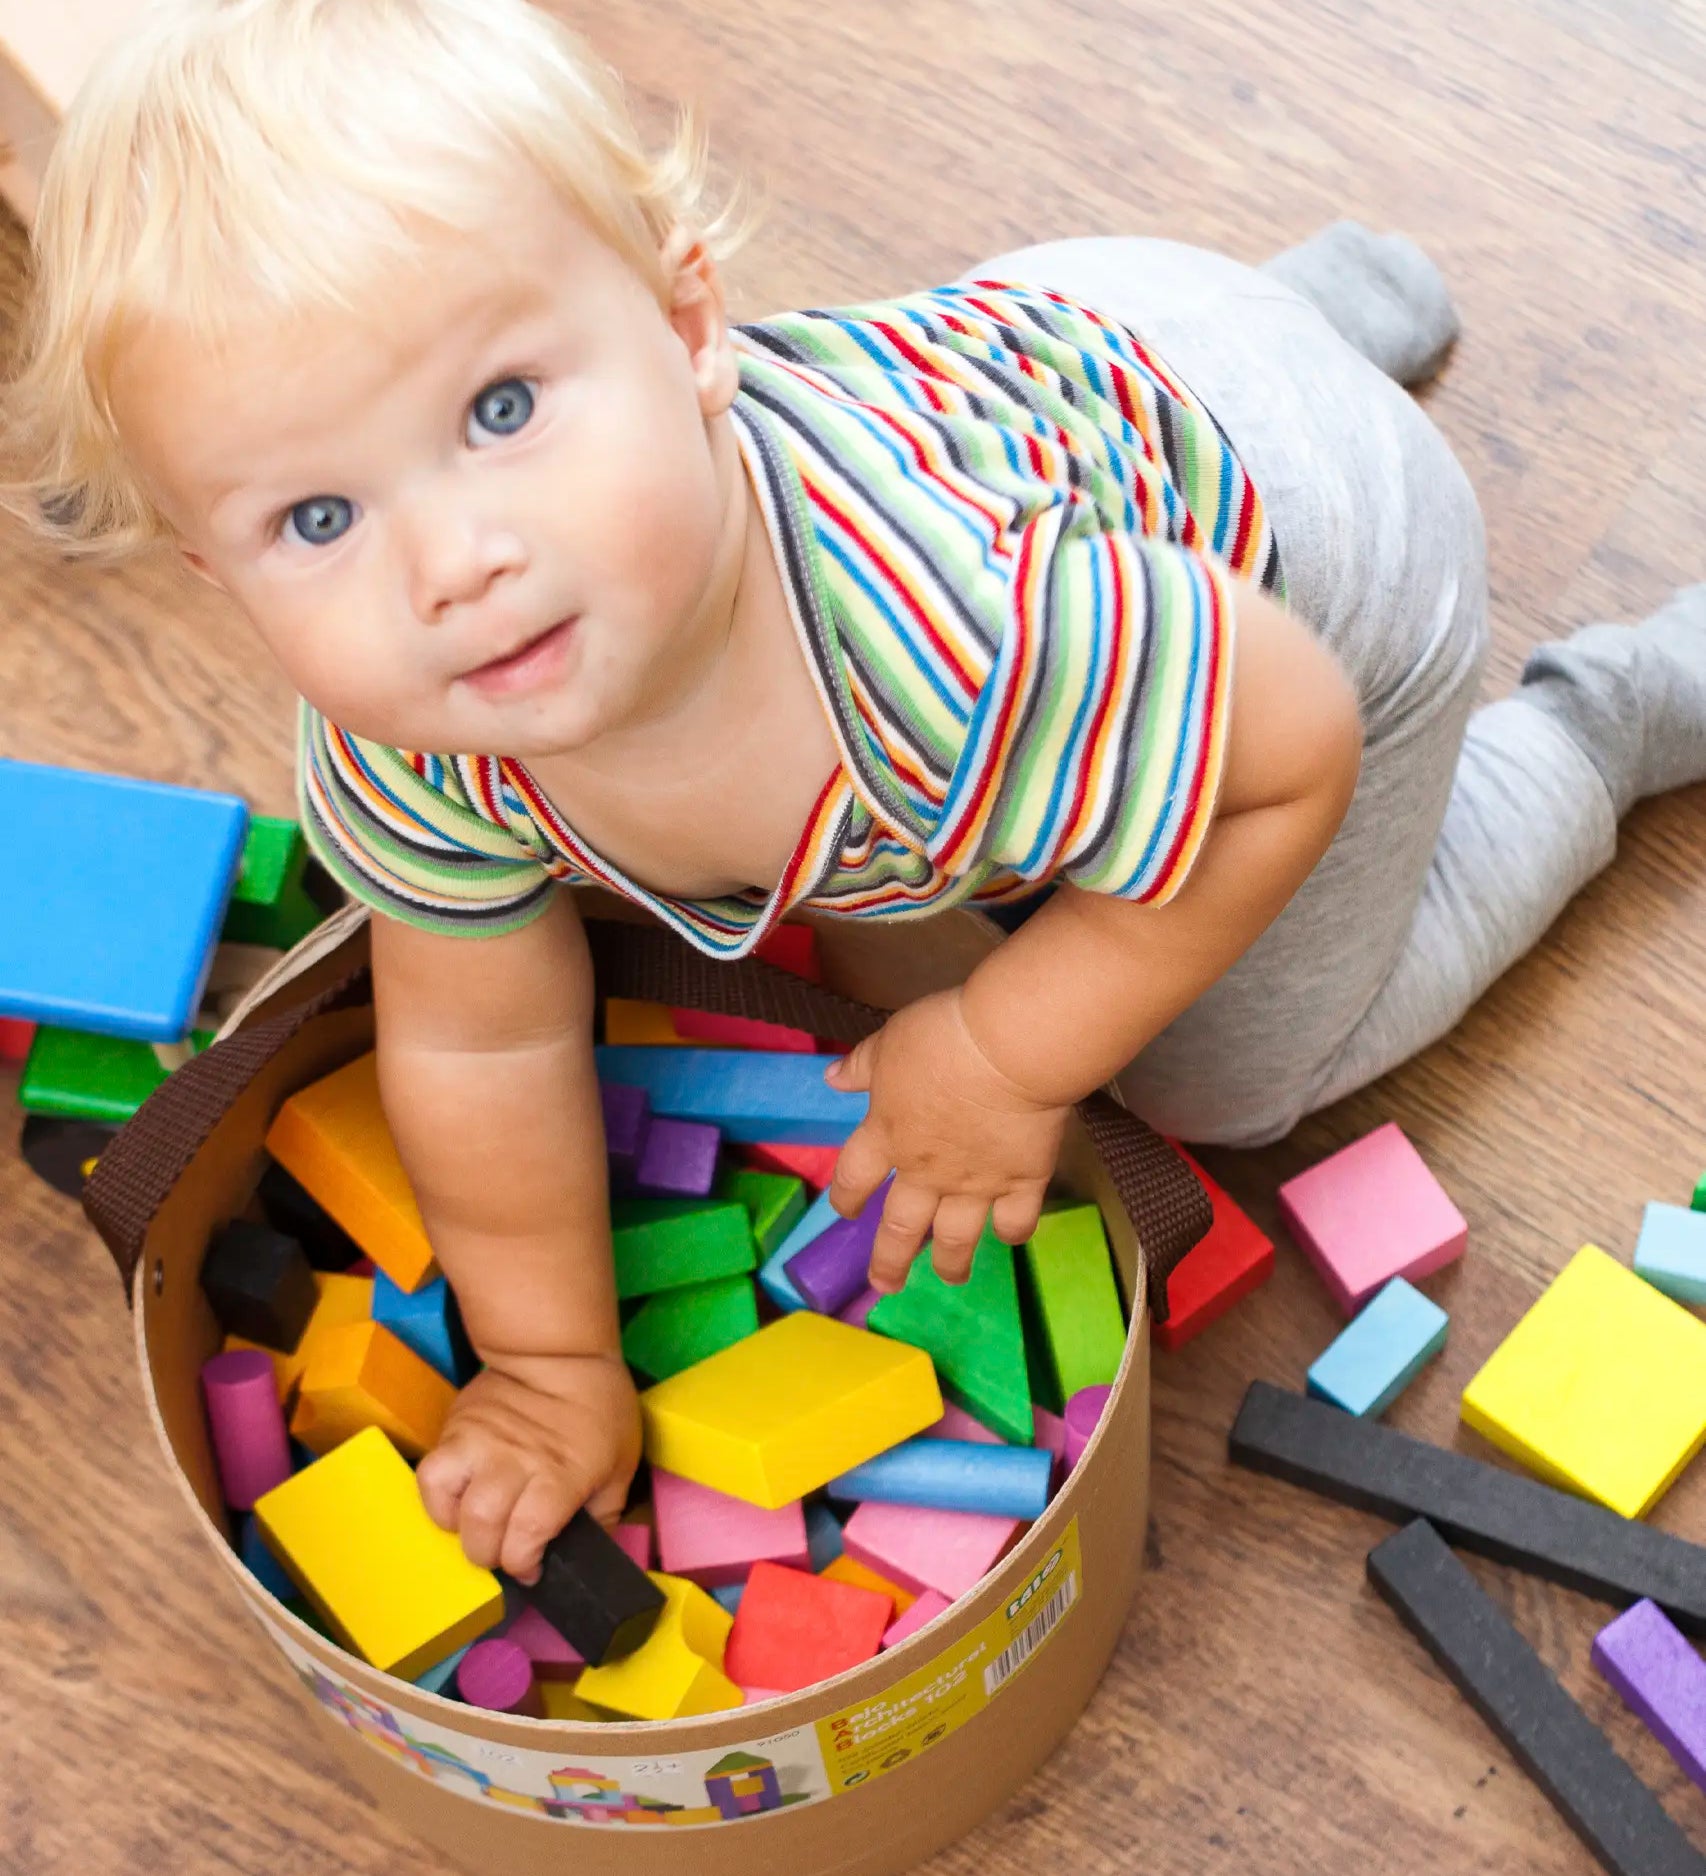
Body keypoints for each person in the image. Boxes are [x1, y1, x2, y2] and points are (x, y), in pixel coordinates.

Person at [5, 0, 1701, 1585]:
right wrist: (543, 1361)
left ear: (686, 332)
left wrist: (1000, 1048)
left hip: (1317, 575)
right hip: (1079, 358)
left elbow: (1288, 754)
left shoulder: (937, 650)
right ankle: (1302, 313)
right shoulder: (415, 727)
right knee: (1054, 794)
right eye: (316, 519)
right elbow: (476, 1035)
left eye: (500, 409)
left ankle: (1595, 721)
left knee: (1224, 1082)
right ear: (214, 574)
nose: (451, 564)